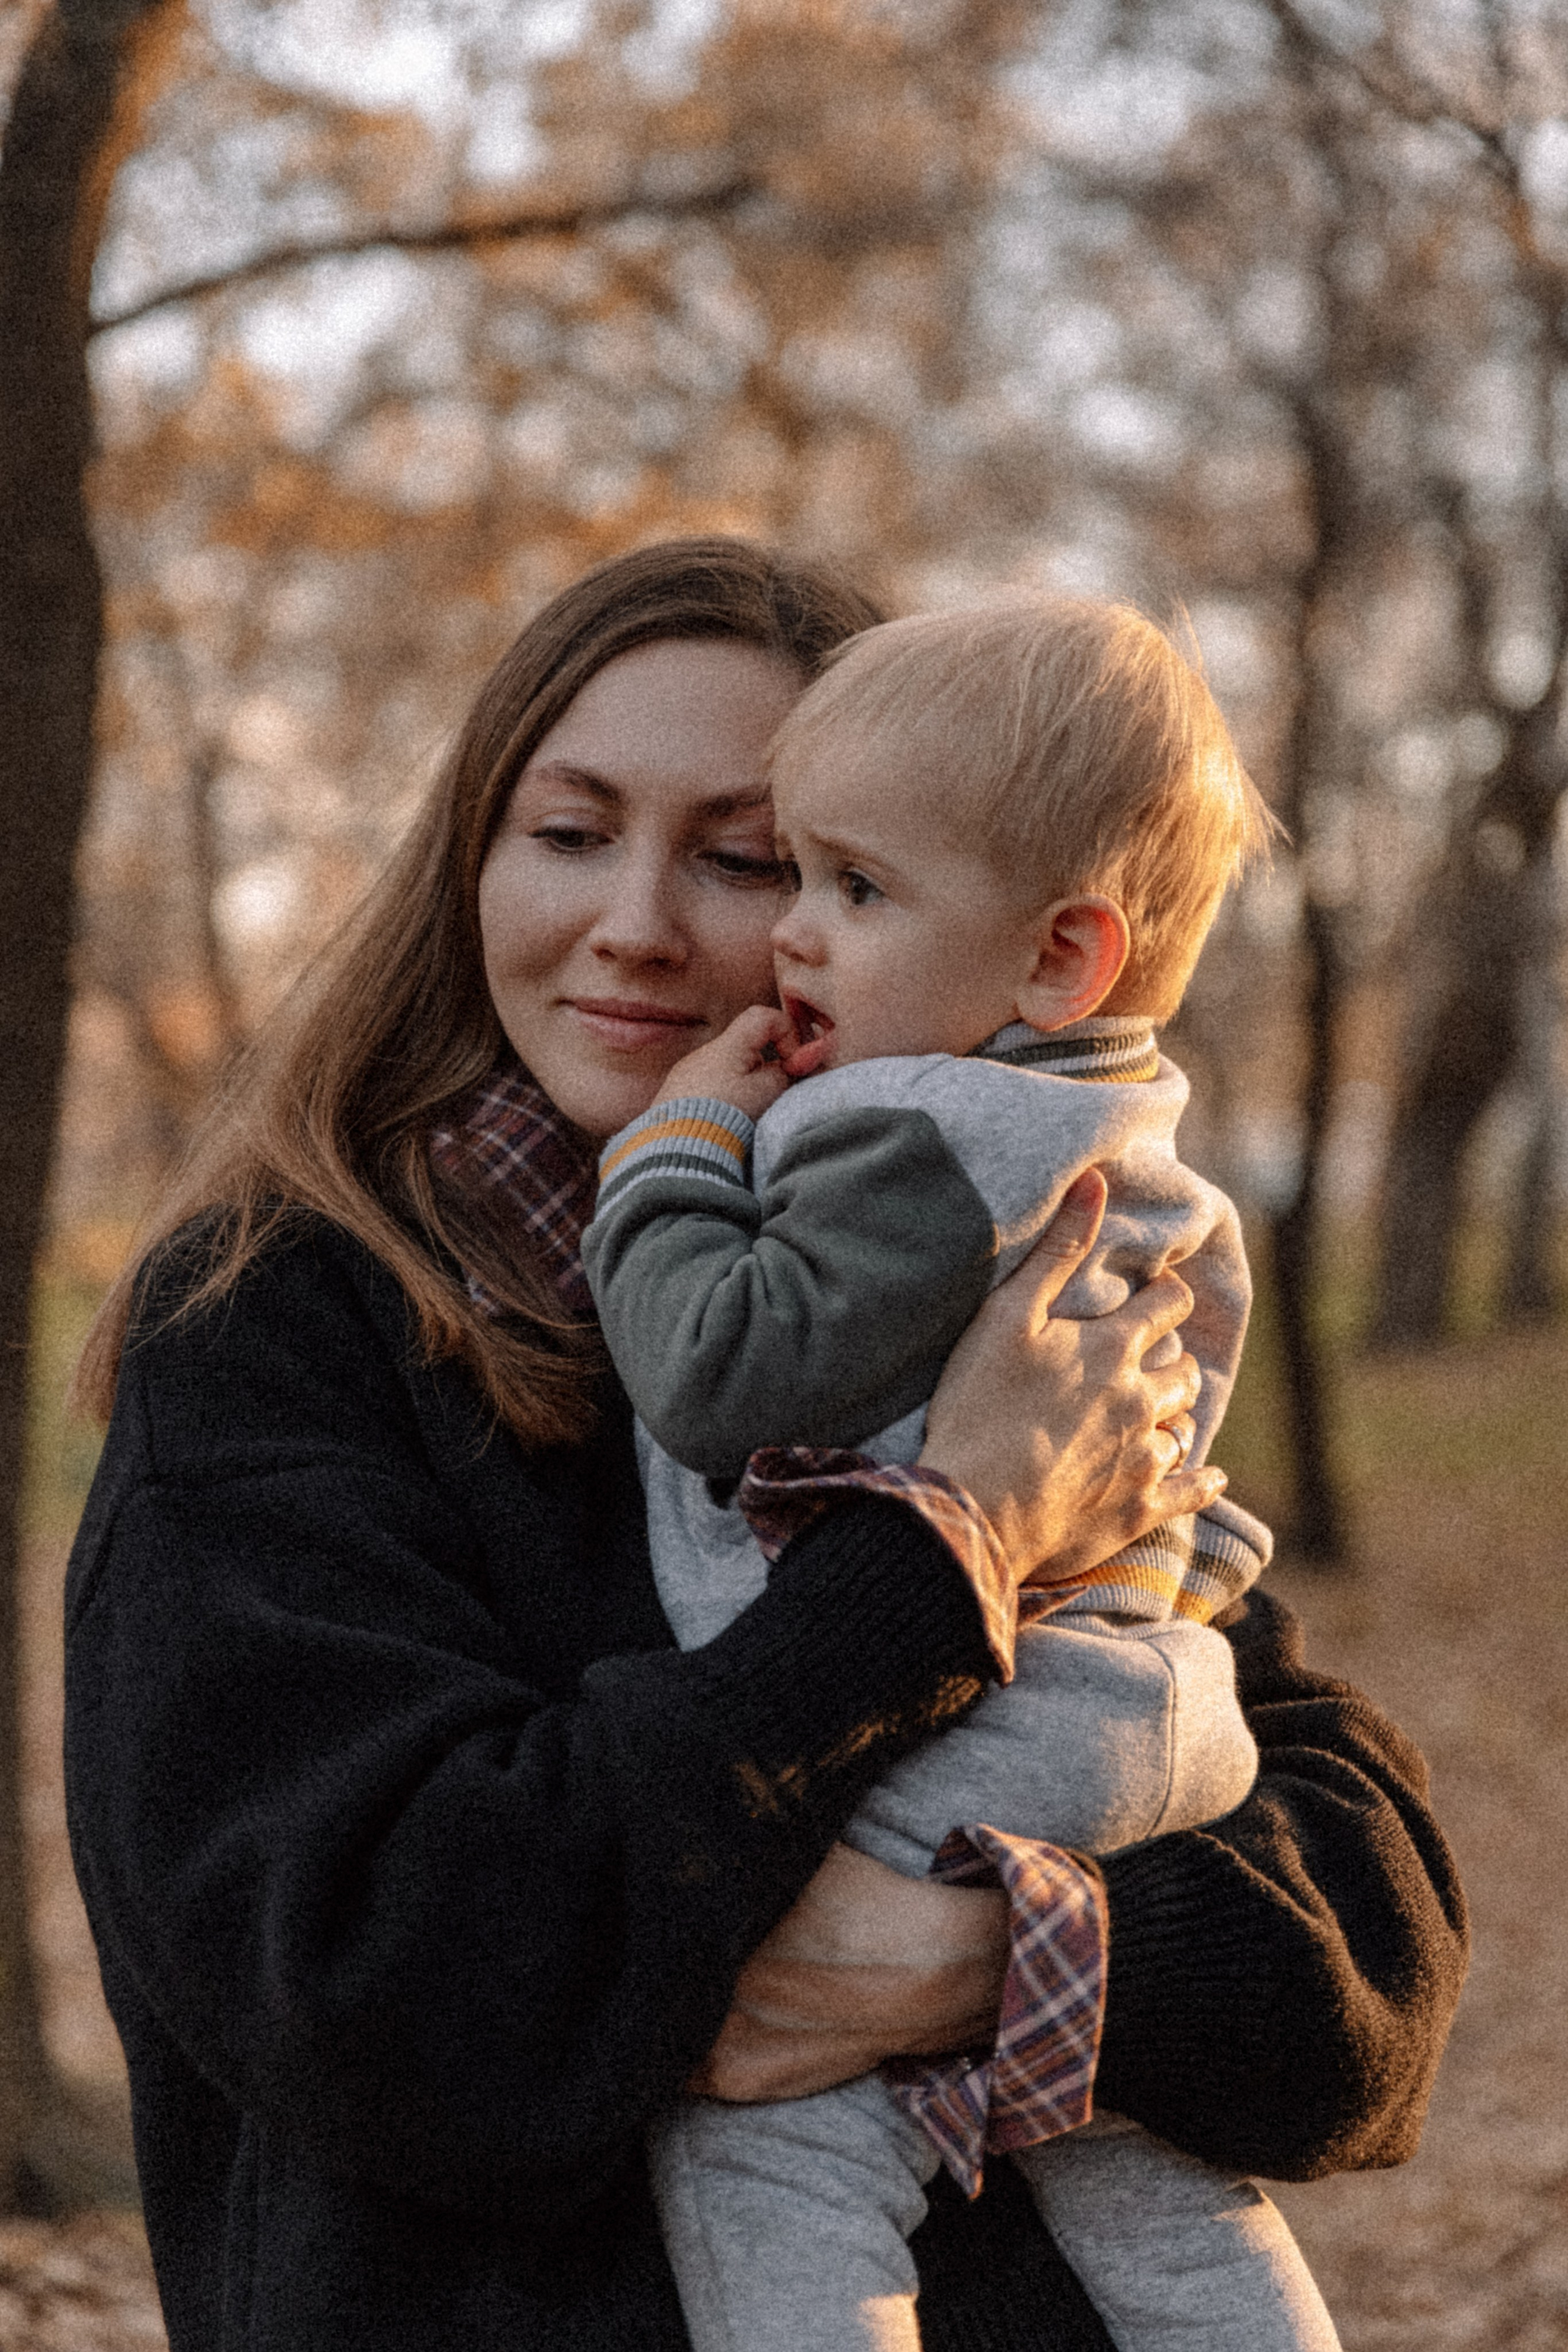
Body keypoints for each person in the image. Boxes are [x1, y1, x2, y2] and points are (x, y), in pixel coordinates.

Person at [64, 540, 1468, 2352]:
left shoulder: (988, 1267)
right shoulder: (272, 1332)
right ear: (468, 863)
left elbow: (1378, 1946)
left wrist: (999, 1961)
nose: (642, 922)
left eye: (753, 860)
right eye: (568, 833)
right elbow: (395, 1995)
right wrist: (945, 1538)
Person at [582, 597, 1339, 2351]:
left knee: (770, 2137)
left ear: (1059, 959)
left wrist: (676, 1148)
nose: (795, 940)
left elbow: (719, 1369)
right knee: (1151, 2173)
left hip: (1006, 1720)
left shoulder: (911, 1132)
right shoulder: (1116, 1120)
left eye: (849, 887)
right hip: (1150, 1699)